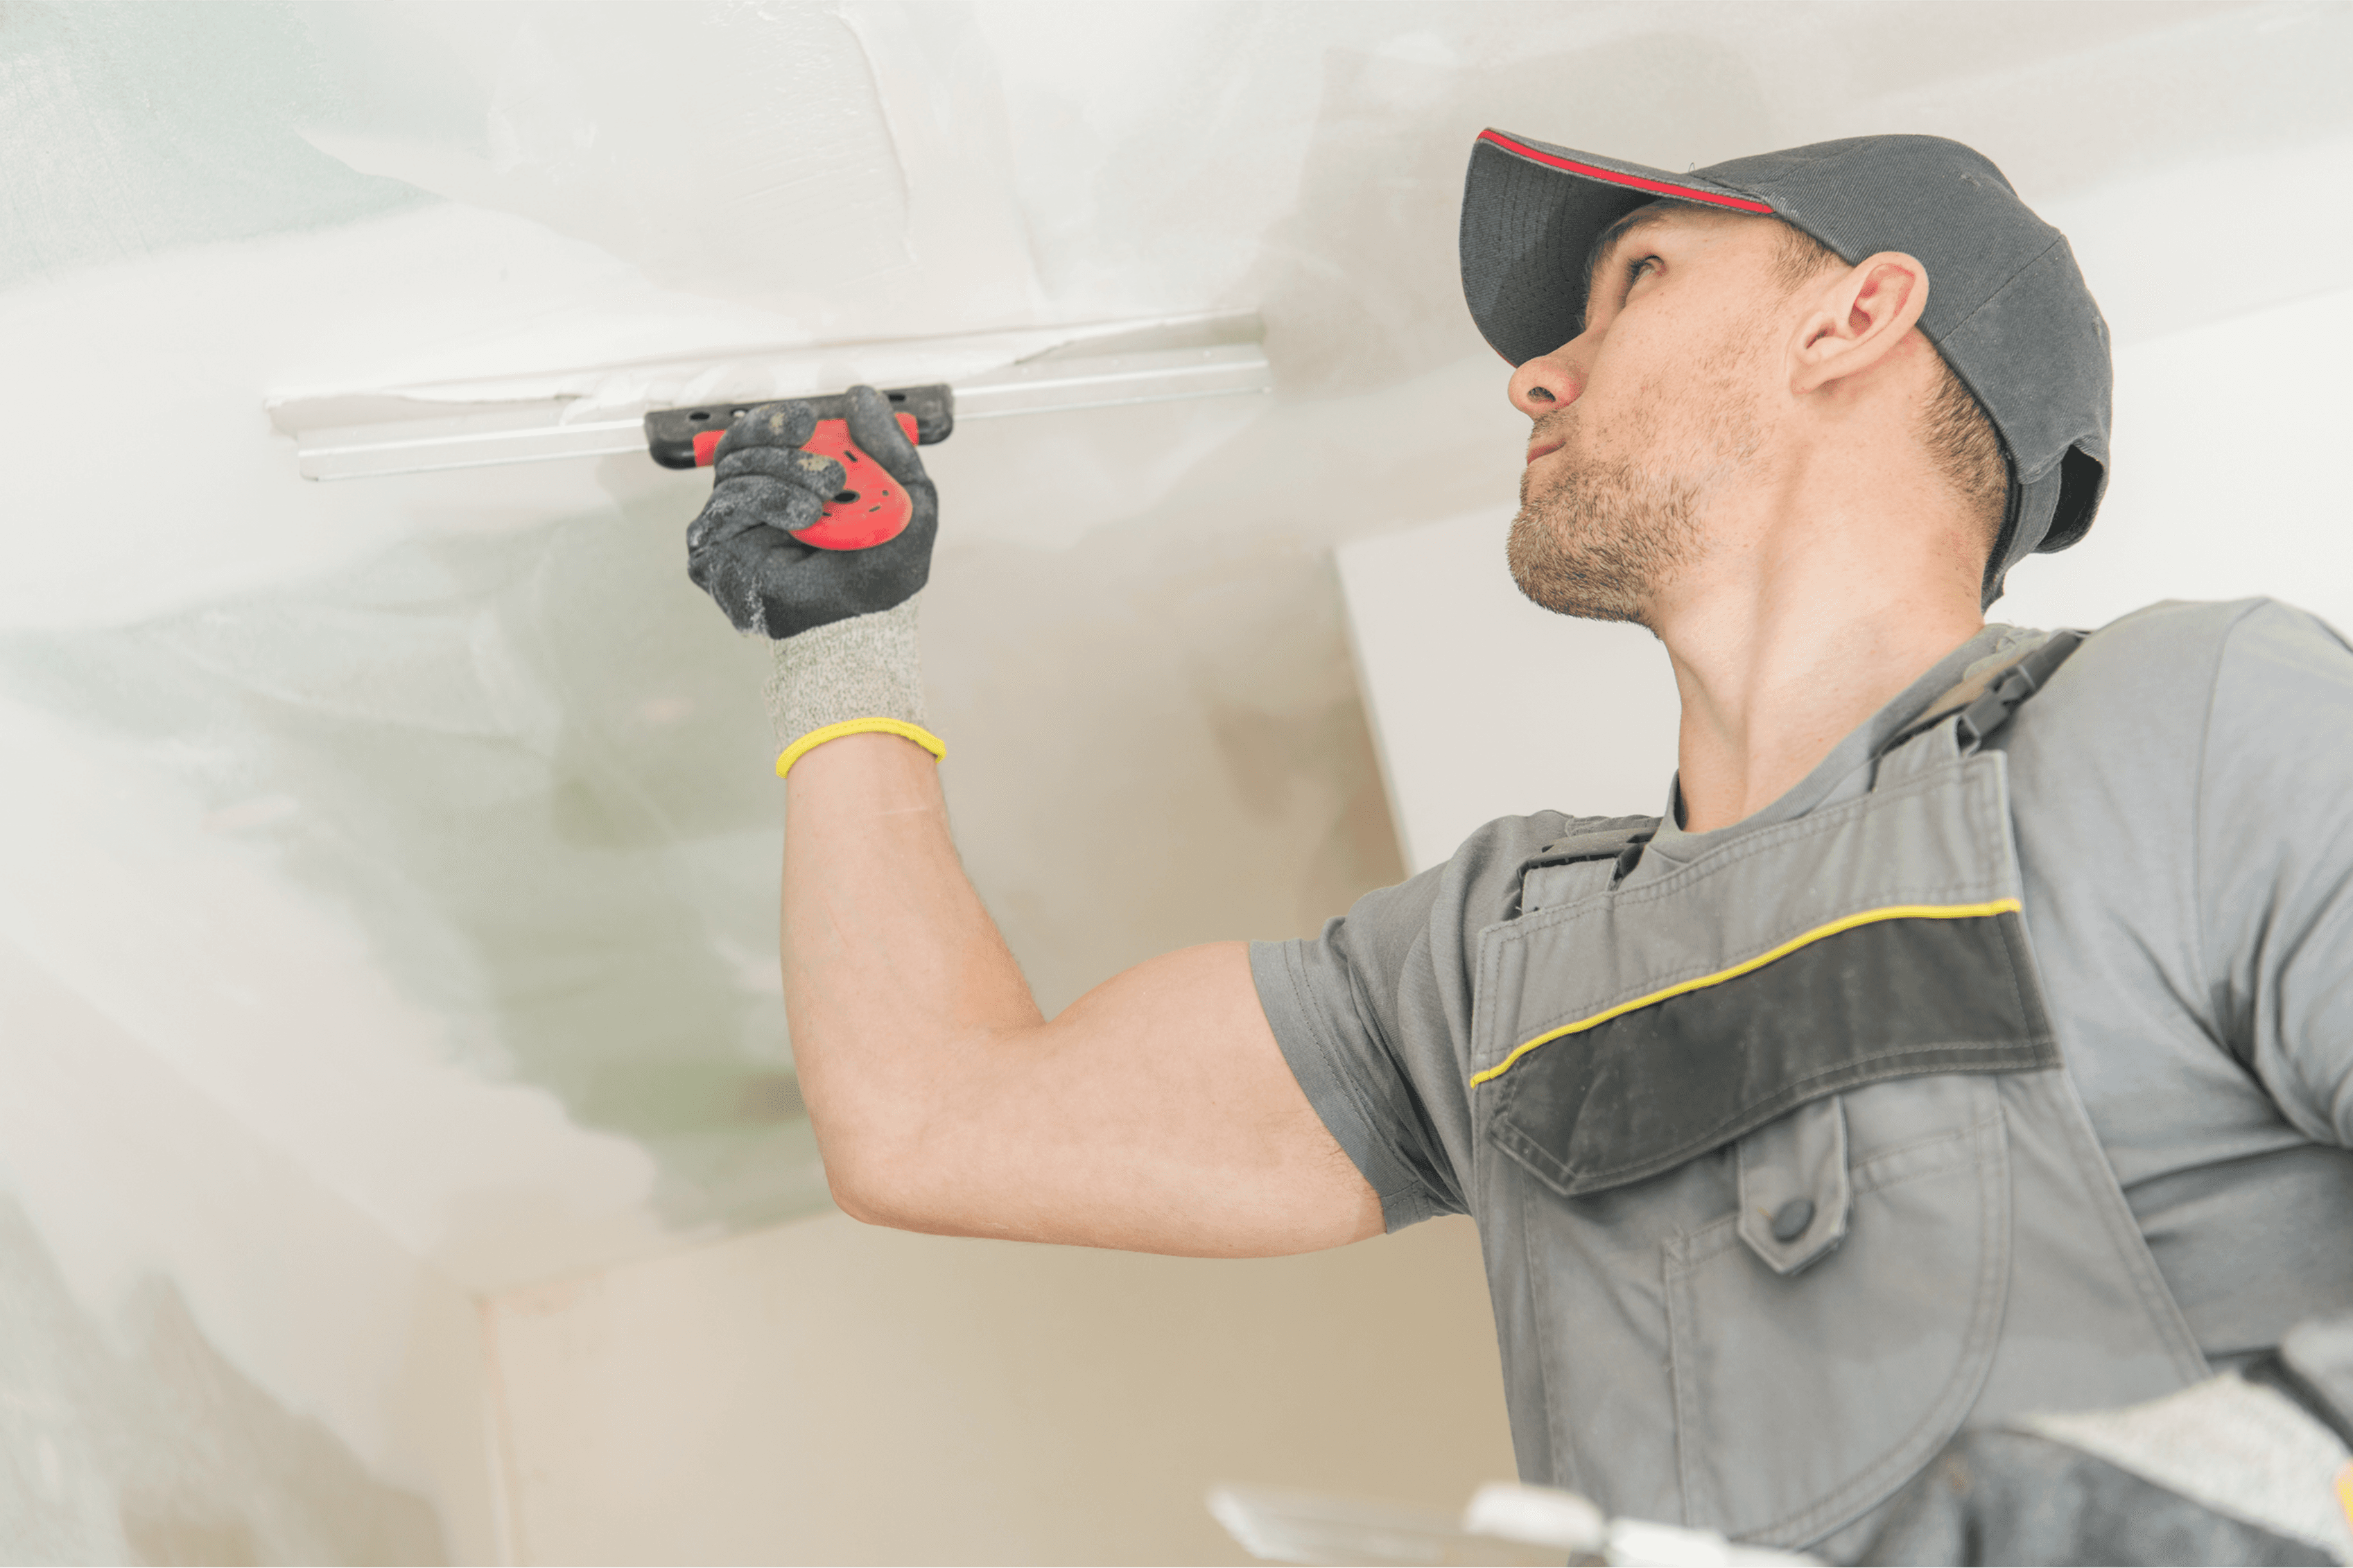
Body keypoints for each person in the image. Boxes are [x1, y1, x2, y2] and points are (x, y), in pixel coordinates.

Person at [681, 130, 2353, 1564]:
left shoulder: (2185, 729)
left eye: (1636, 281)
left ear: (1853, 319)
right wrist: (843, 644)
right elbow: (930, 1123)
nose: (1534, 375)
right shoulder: (1493, 968)